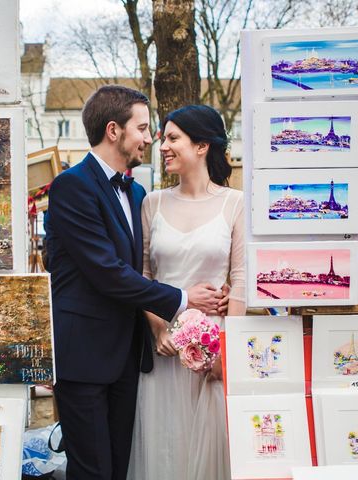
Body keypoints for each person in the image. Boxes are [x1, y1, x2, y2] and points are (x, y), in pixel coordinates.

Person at [44, 86, 228, 480]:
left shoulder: (138, 191)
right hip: (85, 359)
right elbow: (108, 271)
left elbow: (142, 266)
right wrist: (181, 298)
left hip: (130, 359)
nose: (150, 138)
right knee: (93, 471)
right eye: (143, 129)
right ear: (114, 130)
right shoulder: (71, 186)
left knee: (122, 467)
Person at [128, 104, 246, 480]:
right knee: (164, 448)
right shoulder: (152, 203)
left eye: (172, 138)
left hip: (213, 351)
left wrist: (225, 355)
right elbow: (142, 277)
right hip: (163, 350)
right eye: (162, 137)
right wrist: (158, 329)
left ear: (202, 146)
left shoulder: (235, 204)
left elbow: (241, 281)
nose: (162, 145)